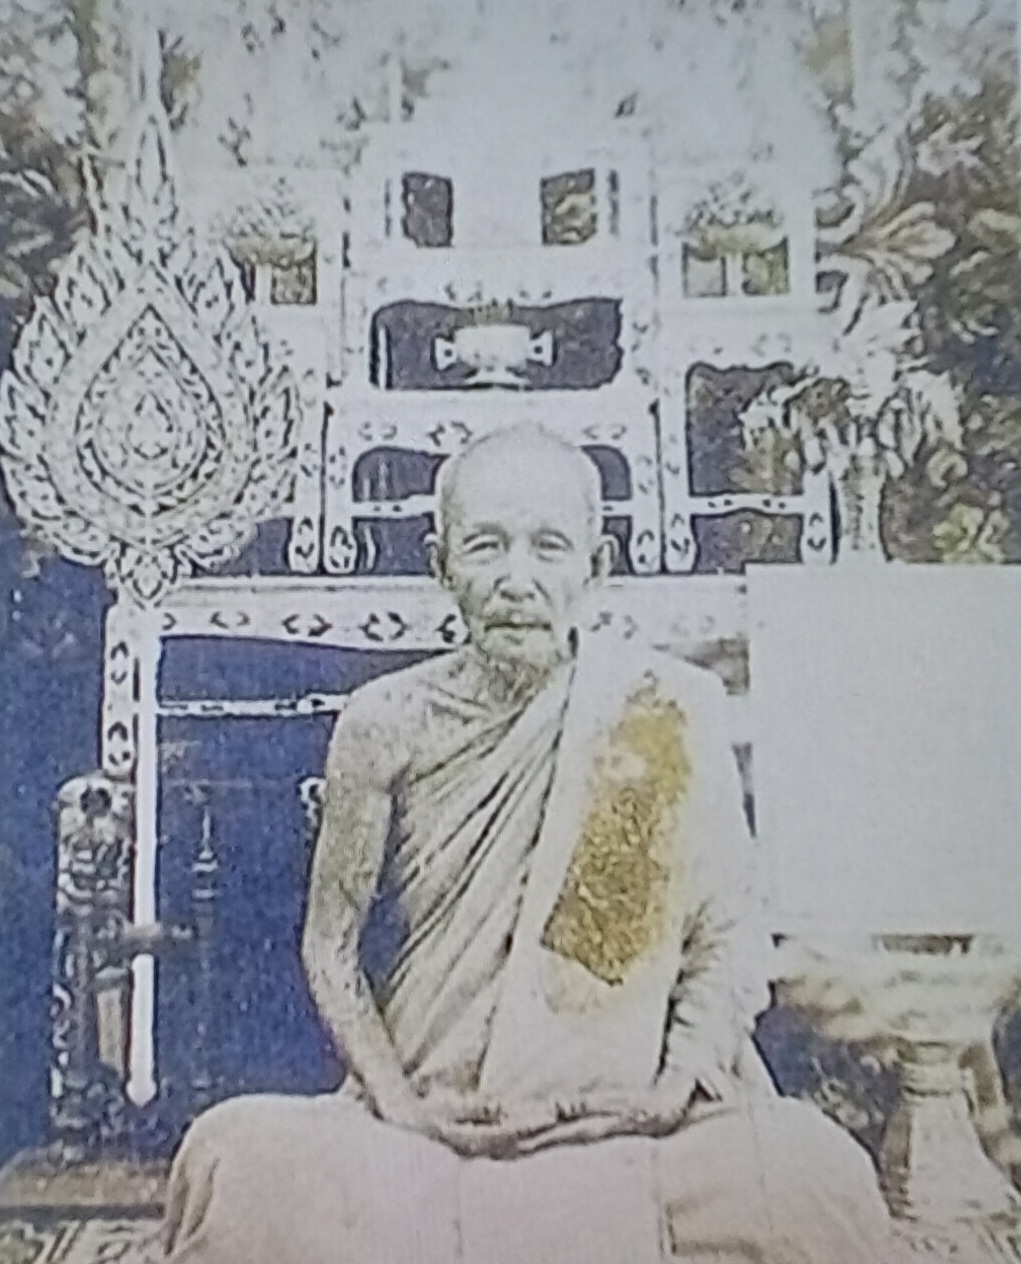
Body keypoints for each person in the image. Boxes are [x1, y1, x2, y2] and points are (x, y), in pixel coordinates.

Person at [159, 425, 904, 1264]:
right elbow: (329, 947)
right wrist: (401, 1107)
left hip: (623, 1126)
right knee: (232, 1162)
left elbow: (727, 934)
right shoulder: (384, 722)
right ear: (440, 565)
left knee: (816, 1176)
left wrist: (669, 1091)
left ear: (596, 564)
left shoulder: (659, 708)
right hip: (433, 1129)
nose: (517, 579)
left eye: (549, 547)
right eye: (485, 546)